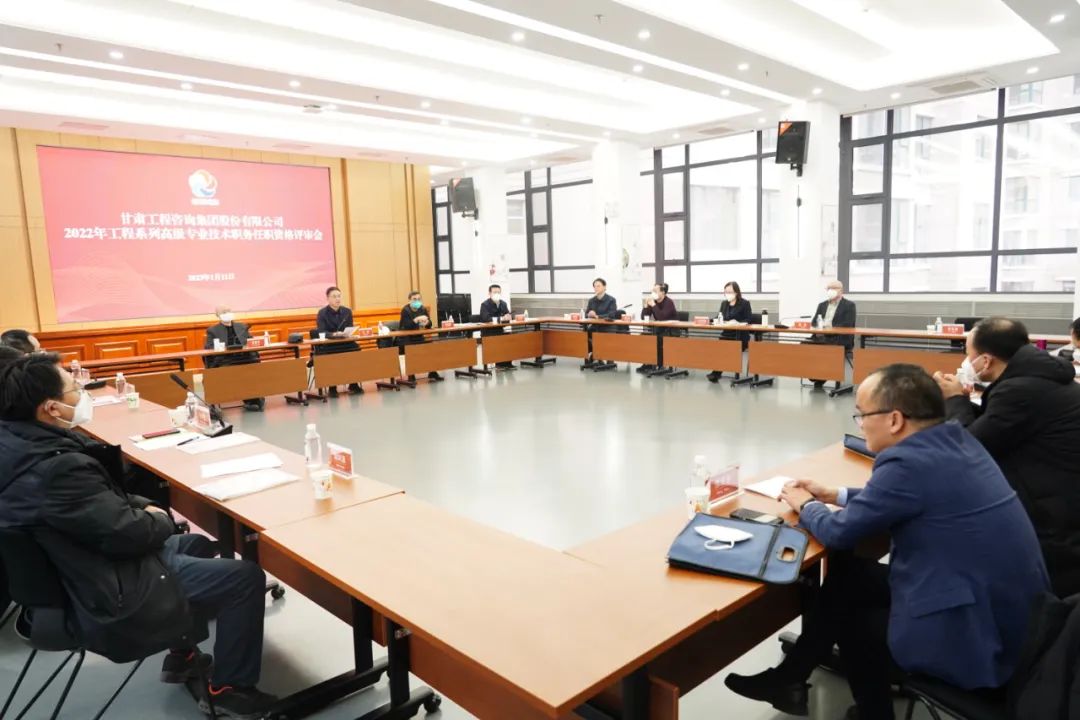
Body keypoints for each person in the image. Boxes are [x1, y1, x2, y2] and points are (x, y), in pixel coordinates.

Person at [726, 364, 1048, 720]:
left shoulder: (907, 463)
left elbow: (838, 532)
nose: (860, 424)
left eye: (862, 415)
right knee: (850, 578)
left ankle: (872, 714)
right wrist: (836, 494)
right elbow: (906, 496)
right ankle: (789, 679)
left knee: (853, 619)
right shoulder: (956, 439)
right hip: (1012, 617)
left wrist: (806, 505)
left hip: (977, 637)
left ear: (894, 420)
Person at [0, 354, 275, 717]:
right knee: (244, 577)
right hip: (103, 588)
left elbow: (101, 501)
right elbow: (128, 534)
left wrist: (143, 506)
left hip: (72, 566)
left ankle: (183, 654)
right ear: (51, 408)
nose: (82, 393)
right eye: (75, 388)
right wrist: (159, 517)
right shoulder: (57, 470)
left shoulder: (18, 445)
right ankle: (230, 690)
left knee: (195, 544)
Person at [933, 317, 1080, 598]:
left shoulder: (1020, 390)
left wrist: (955, 400)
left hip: (1054, 528)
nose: (966, 362)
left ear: (986, 360)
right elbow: (996, 426)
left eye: (969, 354)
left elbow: (969, 449)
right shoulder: (1038, 377)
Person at [204, 307, 264, 412]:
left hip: (245, 358)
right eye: (224, 312)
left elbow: (251, 341)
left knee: (253, 370)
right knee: (217, 375)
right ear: (218, 315)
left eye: (229, 311)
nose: (227, 314)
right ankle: (214, 404)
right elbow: (208, 347)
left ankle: (253, 400)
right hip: (226, 360)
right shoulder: (212, 330)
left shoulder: (242, 327)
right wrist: (220, 347)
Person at [807, 280, 856, 389]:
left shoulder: (849, 305)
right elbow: (814, 322)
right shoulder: (822, 305)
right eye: (828, 288)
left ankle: (823, 376)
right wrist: (820, 328)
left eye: (833, 288)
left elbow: (848, 324)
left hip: (839, 338)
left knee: (827, 348)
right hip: (822, 337)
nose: (830, 290)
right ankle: (816, 375)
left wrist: (828, 327)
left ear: (841, 291)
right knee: (805, 345)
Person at [315, 287, 363, 397]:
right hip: (330, 344)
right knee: (331, 356)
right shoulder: (322, 313)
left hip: (345, 342)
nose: (337, 299)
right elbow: (321, 332)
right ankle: (332, 387)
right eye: (334, 296)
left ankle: (353, 384)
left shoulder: (347, 311)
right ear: (328, 298)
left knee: (356, 349)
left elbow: (349, 327)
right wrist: (333, 335)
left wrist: (348, 333)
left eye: (339, 296)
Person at [707, 281, 752, 383]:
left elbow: (749, 319)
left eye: (730, 292)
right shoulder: (724, 303)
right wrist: (710, 320)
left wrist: (737, 323)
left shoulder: (744, 303)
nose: (727, 294)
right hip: (726, 335)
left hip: (740, 336)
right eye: (726, 292)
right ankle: (716, 373)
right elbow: (719, 317)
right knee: (719, 348)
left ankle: (716, 373)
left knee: (726, 349)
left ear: (736, 292)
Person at [399, 291, 442, 382]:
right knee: (411, 348)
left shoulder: (422, 309)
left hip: (419, 337)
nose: (417, 301)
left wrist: (427, 323)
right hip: (405, 338)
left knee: (431, 346)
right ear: (409, 300)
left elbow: (429, 324)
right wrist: (416, 319)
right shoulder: (405, 310)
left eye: (419, 299)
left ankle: (432, 372)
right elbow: (407, 327)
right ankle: (411, 374)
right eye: (414, 299)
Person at [584, 278, 622, 369]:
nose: (596, 288)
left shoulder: (611, 300)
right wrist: (589, 314)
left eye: (598, 286)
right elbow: (586, 314)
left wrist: (598, 316)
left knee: (604, 337)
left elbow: (612, 314)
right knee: (584, 334)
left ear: (604, 287)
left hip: (608, 327)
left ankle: (608, 360)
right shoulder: (591, 300)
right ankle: (596, 357)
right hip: (595, 327)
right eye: (594, 286)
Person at [639, 282, 676, 373]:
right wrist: (646, 306)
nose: (653, 293)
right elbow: (644, 317)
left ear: (663, 292)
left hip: (671, 330)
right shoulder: (654, 302)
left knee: (659, 339)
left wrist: (653, 305)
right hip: (658, 329)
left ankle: (661, 364)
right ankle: (648, 363)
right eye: (652, 291)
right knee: (644, 337)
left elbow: (662, 318)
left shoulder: (669, 302)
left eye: (655, 291)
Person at [479, 284, 514, 369]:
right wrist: (501, 318)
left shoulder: (503, 303)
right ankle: (499, 363)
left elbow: (508, 315)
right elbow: (486, 318)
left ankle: (506, 363)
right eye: (494, 292)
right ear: (489, 293)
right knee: (500, 339)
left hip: (500, 330)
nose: (497, 294)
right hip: (488, 332)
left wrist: (509, 317)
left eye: (498, 292)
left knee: (510, 338)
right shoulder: (485, 305)